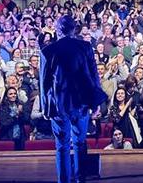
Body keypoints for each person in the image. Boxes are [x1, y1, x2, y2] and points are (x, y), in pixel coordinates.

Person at [40, 15, 108, 183]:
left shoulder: (47, 50)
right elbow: (94, 76)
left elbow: (44, 83)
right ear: (74, 29)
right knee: (80, 143)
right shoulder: (85, 46)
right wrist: (96, 102)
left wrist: (45, 107)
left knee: (62, 146)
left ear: (57, 30)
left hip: (59, 104)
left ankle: (63, 181)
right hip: (82, 102)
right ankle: (80, 179)